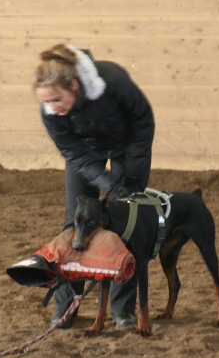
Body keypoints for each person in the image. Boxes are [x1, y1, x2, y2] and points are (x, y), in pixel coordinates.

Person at [32, 43, 155, 328]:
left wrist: (130, 180)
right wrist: (107, 184)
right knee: (73, 225)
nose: (52, 108)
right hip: (85, 153)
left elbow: (143, 121)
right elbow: (73, 152)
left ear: (74, 85)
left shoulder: (112, 81)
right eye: (46, 102)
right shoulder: (50, 112)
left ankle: (122, 310)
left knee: (127, 223)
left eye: (56, 100)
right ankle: (66, 307)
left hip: (128, 145)